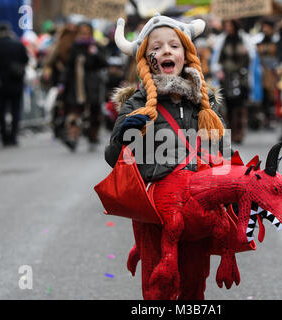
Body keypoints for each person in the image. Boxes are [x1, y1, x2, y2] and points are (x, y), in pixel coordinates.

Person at [103, 14, 229, 299]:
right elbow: (113, 159)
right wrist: (124, 133)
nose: (166, 51)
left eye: (174, 45)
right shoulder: (136, 104)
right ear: (147, 60)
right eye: (157, 48)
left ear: (186, 54)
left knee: (194, 285)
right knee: (158, 286)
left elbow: (223, 154)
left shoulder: (203, 103)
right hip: (155, 213)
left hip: (198, 210)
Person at [210, 19, 262, 143]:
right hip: (226, 78)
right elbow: (217, 59)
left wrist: (246, 54)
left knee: (239, 106)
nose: (228, 27)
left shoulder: (244, 40)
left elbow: (252, 58)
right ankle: (229, 133)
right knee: (227, 105)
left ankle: (239, 132)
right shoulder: (222, 40)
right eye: (226, 25)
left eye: (230, 25)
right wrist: (218, 70)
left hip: (241, 78)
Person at [61, 22, 107, 152]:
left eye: (87, 32)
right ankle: (73, 138)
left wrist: (94, 53)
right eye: (82, 32)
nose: (85, 35)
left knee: (94, 114)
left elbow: (103, 63)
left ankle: (93, 137)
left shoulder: (96, 46)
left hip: (93, 86)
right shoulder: (74, 47)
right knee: (74, 113)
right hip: (77, 86)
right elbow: (68, 66)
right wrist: (62, 83)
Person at [0, 22, 29, 146]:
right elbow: (25, 60)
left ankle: (5, 137)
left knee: (1, 111)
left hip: (0, 84)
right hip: (16, 83)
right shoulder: (18, 45)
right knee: (16, 111)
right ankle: (13, 136)